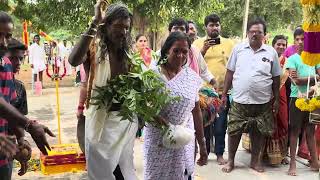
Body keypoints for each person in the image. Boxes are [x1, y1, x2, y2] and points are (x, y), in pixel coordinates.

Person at [68, 1, 138, 179]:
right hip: (99, 127)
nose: (123, 32)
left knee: (124, 173)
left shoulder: (128, 54)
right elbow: (73, 60)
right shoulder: (93, 47)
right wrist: (94, 22)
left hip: (123, 124)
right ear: (105, 26)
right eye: (118, 26)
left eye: (126, 28)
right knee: (101, 175)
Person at [143, 31, 208, 180]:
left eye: (185, 51)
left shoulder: (191, 78)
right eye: (176, 51)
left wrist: (202, 144)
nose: (180, 55)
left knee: (181, 174)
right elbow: (143, 107)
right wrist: (161, 122)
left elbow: (196, 111)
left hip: (183, 138)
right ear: (166, 51)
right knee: (156, 175)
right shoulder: (153, 75)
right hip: (158, 139)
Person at [221, 18, 281, 173]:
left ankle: (255, 162)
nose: (255, 34)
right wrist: (223, 95)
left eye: (259, 32)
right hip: (240, 101)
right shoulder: (238, 49)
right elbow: (229, 73)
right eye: (252, 31)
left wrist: (276, 100)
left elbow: (276, 77)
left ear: (264, 35)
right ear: (247, 33)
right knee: (234, 131)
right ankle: (231, 161)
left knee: (259, 132)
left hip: (262, 102)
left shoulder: (271, 52)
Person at [0, 11, 55, 179]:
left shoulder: (6, 65)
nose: (2, 42)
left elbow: (6, 112)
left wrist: (20, 141)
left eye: (7, 36)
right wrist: (29, 126)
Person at [193, 13, 235, 165]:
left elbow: (233, 67)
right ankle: (204, 153)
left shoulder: (229, 44)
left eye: (217, 24)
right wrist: (203, 49)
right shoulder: (197, 44)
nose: (214, 27)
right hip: (203, 93)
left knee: (220, 125)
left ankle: (219, 154)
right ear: (205, 27)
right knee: (203, 126)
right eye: (211, 25)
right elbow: (193, 65)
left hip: (221, 93)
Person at [285, 28, 320, 176]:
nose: (300, 42)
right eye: (297, 39)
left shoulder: (315, 59)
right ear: (294, 41)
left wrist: (309, 81)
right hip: (296, 98)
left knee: (311, 131)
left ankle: (315, 162)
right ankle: (292, 163)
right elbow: (296, 81)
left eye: (303, 39)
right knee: (295, 130)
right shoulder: (292, 59)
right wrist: (314, 79)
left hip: (312, 97)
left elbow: (317, 77)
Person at [6, 38, 31, 176]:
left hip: (7, 154)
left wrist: (21, 147)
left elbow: (19, 122)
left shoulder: (19, 88)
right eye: (13, 58)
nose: (17, 63)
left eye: (20, 59)